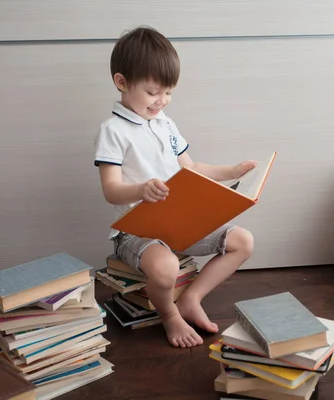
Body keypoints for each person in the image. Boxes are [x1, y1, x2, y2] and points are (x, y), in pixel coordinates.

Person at [94, 26, 256, 348]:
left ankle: (191, 298)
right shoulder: (112, 131)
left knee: (243, 241)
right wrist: (141, 190)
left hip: (178, 223)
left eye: (168, 93)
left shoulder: (165, 122)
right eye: (154, 92)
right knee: (166, 267)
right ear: (122, 83)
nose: (162, 101)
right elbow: (111, 189)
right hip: (135, 230)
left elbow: (192, 169)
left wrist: (231, 171)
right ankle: (170, 316)